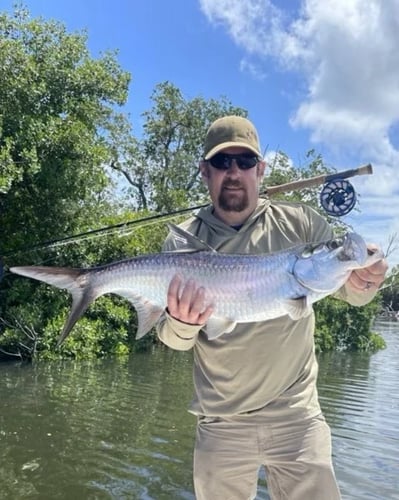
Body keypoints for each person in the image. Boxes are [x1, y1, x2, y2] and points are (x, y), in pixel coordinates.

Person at [156, 115, 388, 500]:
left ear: (260, 170)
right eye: (221, 162)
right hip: (220, 422)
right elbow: (174, 340)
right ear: (204, 172)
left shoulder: (301, 224)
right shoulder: (182, 241)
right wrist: (182, 324)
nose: (234, 172)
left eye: (245, 162)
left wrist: (368, 278)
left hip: (297, 418)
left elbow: (351, 292)